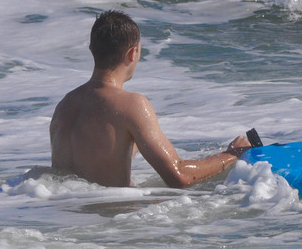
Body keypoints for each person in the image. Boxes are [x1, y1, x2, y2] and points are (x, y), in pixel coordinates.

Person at [50, 10, 250, 188]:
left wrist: (135, 140)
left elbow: (90, 166)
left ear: (92, 50)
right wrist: (232, 154)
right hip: (111, 222)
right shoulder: (131, 105)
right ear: (132, 53)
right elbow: (179, 176)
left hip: (67, 215)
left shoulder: (65, 105)